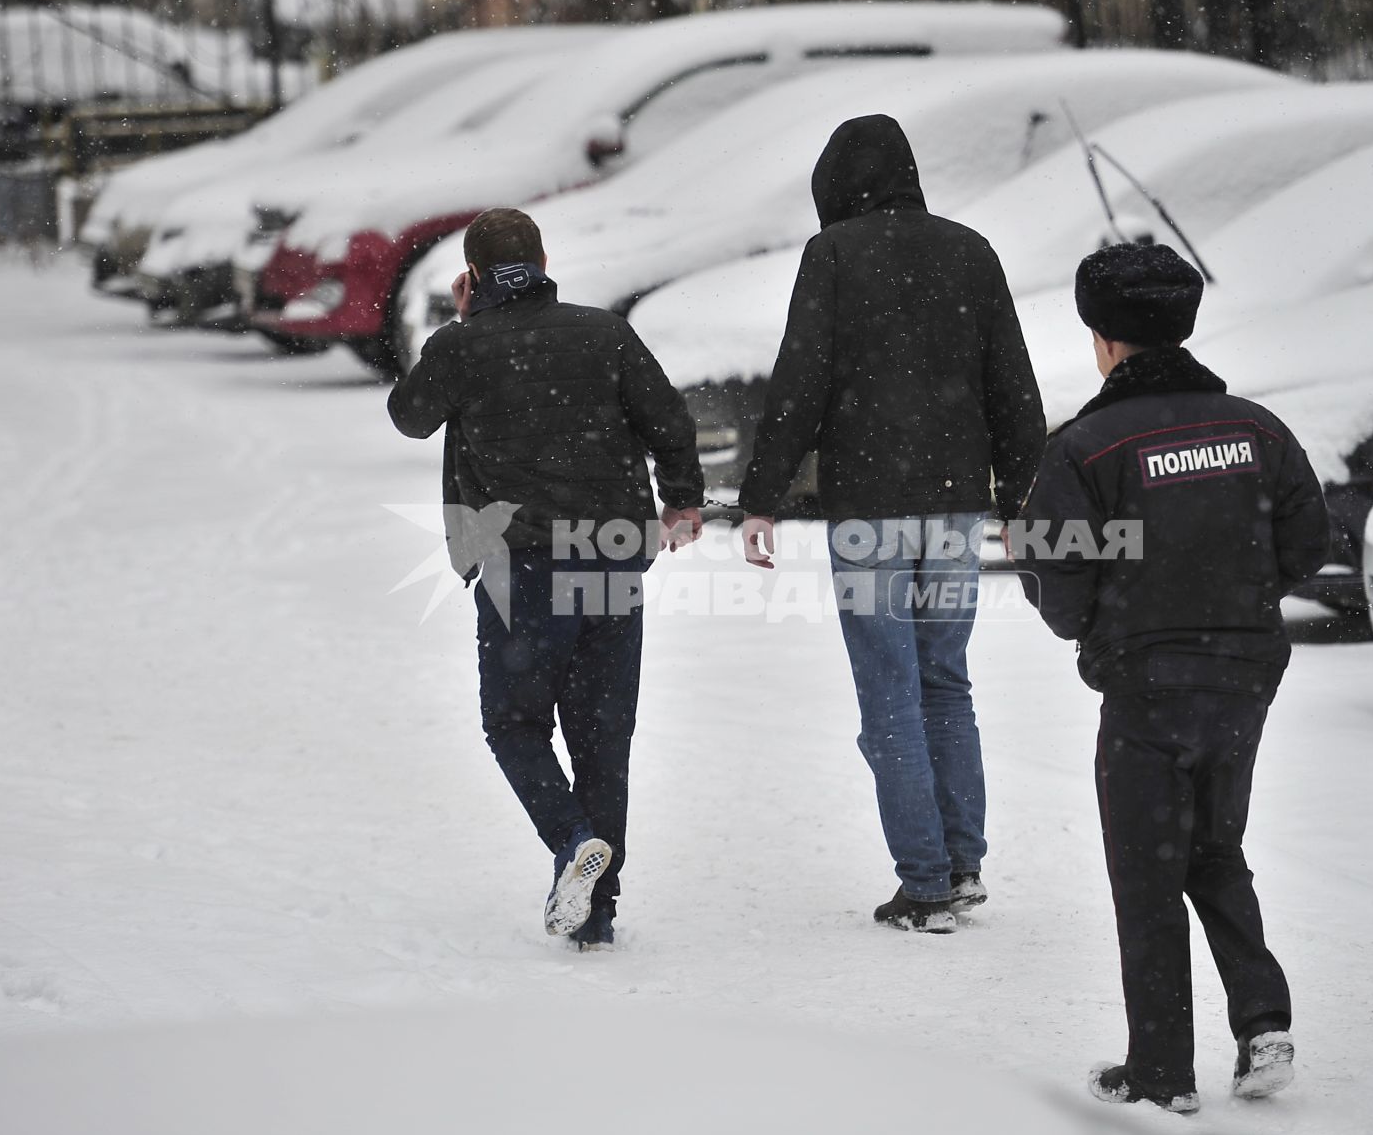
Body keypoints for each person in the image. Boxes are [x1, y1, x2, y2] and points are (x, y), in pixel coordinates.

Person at [1017, 243, 1328, 1114]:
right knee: (1214, 850)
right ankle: (1263, 1022)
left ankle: (1160, 1071)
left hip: (1147, 685)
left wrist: (1107, 627)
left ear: (1103, 339)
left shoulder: (1085, 447)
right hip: (1244, 679)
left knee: (1147, 871)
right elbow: (1306, 545)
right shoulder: (1259, 430)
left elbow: (1053, 574)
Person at [738, 115, 1045, 934]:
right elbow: (1012, 382)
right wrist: (1019, 499)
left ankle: (925, 883)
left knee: (890, 689)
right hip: (953, 505)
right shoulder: (970, 250)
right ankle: (963, 860)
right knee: (946, 678)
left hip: (869, 509)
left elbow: (800, 379)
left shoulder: (833, 255)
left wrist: (761, 494)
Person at [388, 208, 705, 951]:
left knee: (514, 723)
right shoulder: (605, 333)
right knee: (602, 735)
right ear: (542, 259)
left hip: (518, 568)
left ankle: (572, 843)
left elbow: (409, 416)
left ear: (470, 277)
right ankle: (598, 908)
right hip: (612, 556)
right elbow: (669, 421)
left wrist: (464, 327)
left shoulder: (460, 347)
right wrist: (683, 498)